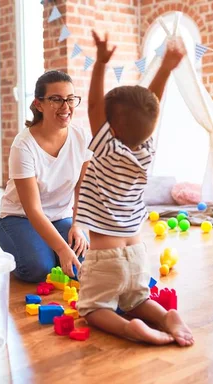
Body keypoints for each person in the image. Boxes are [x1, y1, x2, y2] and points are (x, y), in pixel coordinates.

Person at [74, 31, 195, 347]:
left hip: (105, 255)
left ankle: (131, 330)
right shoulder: (145, 149)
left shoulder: (107, 148)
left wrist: (100, 64)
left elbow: (92, 107)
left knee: (91, 307)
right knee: (135, 300)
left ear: (110, 128)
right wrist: (166, 69)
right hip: (137, 250)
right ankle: (164, 316)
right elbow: (150, 107)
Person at [0, 70, 92, 283]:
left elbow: (82, 190)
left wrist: (77, 225)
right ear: (38, 104)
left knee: (86, 261)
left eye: (70, 99)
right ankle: (18, 254)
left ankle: (51, 251)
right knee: (39, 269)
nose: (65, 107)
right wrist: (61, 249)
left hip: (60, 217)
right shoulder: (23, 146)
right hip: (18, 218)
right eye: (56, 99)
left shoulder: (82, 137)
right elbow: (33, 210)